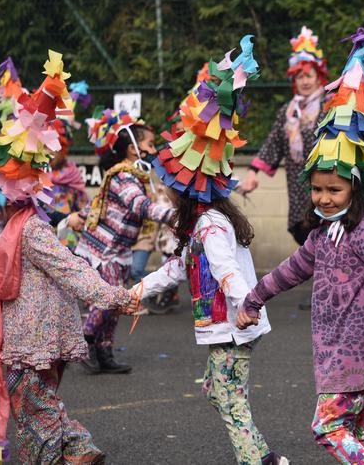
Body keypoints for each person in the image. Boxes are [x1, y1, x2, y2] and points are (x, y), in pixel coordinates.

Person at [237, 30, 364, 465]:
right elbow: (291, 269)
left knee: (328, 427)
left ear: (355, 188)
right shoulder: (321, 233)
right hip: (340, 353)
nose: (324, 198)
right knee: (361, 428)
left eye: (334, 189)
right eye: (317, 189)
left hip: (362, 351)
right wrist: (254, 298)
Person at [0, 50, 133, 463]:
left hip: (34, 338)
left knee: (29, 401)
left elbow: (72, 268)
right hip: (22, 334)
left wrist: (115, 297)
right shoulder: (7, 229)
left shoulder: (32, 228)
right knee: (32, 400)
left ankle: (51, 456)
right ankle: (79, 447)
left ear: (11, 192)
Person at [130, 36, 287, 465]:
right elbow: (176, 270)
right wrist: (137, 291)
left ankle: (258, 461)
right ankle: (264, 457)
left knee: (231, 402)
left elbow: (225, 271)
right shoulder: (200, 227)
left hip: (234, 327)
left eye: (171, 186)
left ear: (185, 192)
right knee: (222, 396)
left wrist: (243, 307)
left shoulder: (212, 225)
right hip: (227, 328)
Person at [70, 108, 175, 374]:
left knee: (114, 304)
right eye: (149, 144)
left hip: (118, 250)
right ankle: (85, 340)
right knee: (110, 300)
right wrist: (176, 216)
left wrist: (81, 215)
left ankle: (104, 352)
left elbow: (98, 204)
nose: (153, 149)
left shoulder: (135, 176)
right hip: (105, 250)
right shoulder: (123, 176)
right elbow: (138, 206)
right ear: (132, 149)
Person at [237, 26, 328, 245]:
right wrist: (252, 172)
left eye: (308, 76)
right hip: (298, 190)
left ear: (319, 78)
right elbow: (273, 144)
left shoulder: (330, 107)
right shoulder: (288, 111)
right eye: (299, 77)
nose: (304, 81)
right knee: (304, 237)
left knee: (328, 240)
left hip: (326, 184)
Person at [45, 118, 89, 251]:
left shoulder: (72, 175)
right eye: (45, 146)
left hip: (68, 241)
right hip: (43, 238)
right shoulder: (35, 176)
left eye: (54, 147)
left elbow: (83, 208)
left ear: (63, 148)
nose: (49, 152)